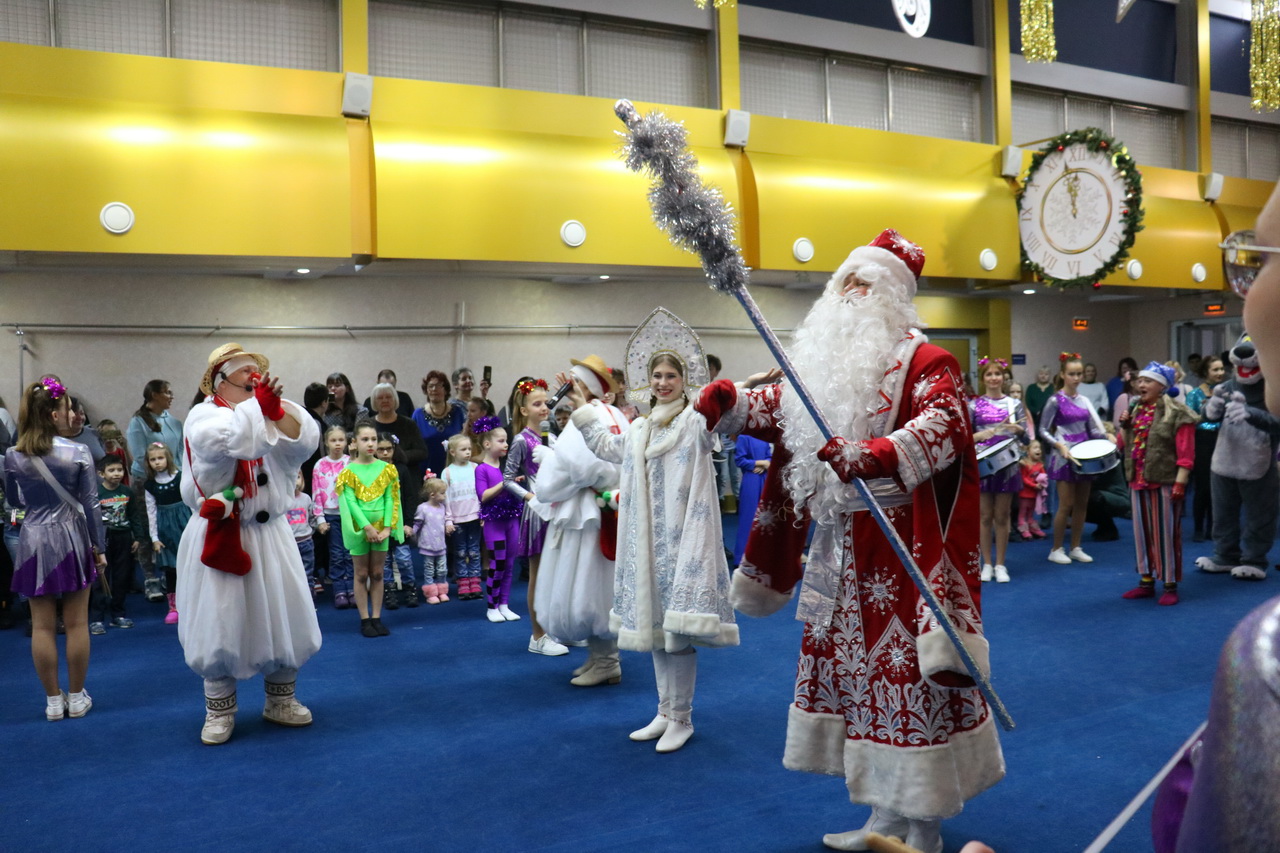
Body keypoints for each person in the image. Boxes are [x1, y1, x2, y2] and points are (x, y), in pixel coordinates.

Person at [696, 231, 1003, 852]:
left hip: (900, 544)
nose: (849, 294)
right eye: (845, 283)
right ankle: (884, 817)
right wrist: (730, 403)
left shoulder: (926, 361)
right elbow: (781, 408)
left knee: (906, 680)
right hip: (840, 553)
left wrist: (872, 453)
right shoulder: (823, 366)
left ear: (893, 296)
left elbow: (945, 427)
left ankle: (924, 826)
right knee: (860, 682)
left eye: (864, 285)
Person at [568, 307, 738, 755]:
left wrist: (743, 388)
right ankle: (665, 711)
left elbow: (723, 418)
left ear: (684, 380)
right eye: (657, 375)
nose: (663, 382)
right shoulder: (640, 427)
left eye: (671, 375)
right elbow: (608, 447)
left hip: (684, 543)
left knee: (678, 635)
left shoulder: (695, 423)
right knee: (658, 630)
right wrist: (585, 410)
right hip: (648, 545)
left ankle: (682, 717)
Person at [177, 343, 321, 746]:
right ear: (219, 382)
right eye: (245, 374)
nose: (254, 380)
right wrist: (260, 412)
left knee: (282, 615)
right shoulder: (203, 416)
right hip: (222, 535)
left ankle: (281, 699)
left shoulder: (259, 410)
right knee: (221, 622)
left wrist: (276, 411)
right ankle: (219, 710)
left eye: (256, 374)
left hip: (271, 534)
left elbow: (304, 441)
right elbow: (237, 443)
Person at [5, 377, 106, 721]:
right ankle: (77, 698)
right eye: (67, 409)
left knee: (42, 625)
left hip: (33, 538)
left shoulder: (12, 456)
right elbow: (91, 505)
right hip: (73, 538)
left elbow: (13, 501)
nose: (72, 414)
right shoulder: (77, 451)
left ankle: (52, 701)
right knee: (77, 624)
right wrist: (100, 546)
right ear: (52, 414)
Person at [535, 356, 627, 687]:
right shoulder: (615, 413)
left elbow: (581, 468)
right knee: (599, 584)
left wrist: (551, 466)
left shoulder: (586, 418)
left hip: (586, 513)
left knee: (588, 583)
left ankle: (606, 661)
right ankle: (599, 657)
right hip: (599, 509)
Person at [1116, 362, 1198, 605]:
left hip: (1164, 480)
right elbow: (1123, 445)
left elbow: (1186, 453)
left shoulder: (1177, 412)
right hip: (1137, 479)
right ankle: (1146, 581)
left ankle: (1170, 584)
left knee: (1166, 534)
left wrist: (1180, 483)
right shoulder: (1135, 409)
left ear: (1162, 386)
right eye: (1139, 380)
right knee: (1142, 534)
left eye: (1147, 381)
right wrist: (1125, 426)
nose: (1141, 385)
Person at [503, 377, 567, 657]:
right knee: (539, 576)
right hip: (537, 512)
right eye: (536, 404)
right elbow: (507, 479)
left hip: (558, 509)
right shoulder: (520, 440)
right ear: (523, 410)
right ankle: (537, 635)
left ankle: (558, 628)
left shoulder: (553, 437)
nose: (545, 408)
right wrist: (530, 497)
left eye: (546, 403)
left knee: (558, 575)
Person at [1040, 352, 1113, 565]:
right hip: (1064, 454)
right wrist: (1058, 444)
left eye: (1079, 374)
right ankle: (1056, 548)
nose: (1076, 378)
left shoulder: (1084, 401)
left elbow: (1092, 429)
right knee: (1066, 504)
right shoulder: (1055, 400)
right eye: (1072, 374)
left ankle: (1076, 546)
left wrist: (1106, 435)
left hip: (1084, 453)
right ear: (1063, 374)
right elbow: (1043, 430)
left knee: (1082, 504)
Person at [335, 420, 404, 637]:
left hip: (381, 529)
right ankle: (365, 619)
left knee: (377, 573)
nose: (371, 444)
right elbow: (350, 502)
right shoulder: (348, 472)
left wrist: (386, 528)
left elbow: (391, 499)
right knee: (361, 572)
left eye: (373, 439)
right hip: (360, 529)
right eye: (365, 439)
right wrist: (366, 527)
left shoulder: (387, 469)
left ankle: (377, 617)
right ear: (354, 442)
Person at [970, 357, 1029, 583]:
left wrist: (1018, 430)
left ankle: (1001, 564)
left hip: (1007, 464)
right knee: (985, 516)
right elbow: (964, 436)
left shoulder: (1013, 404)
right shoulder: (974, 405)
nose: (994, 378)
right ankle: (986, 563)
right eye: (989, 374)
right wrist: (978, 435)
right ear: (983, 378)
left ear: (1004, 378)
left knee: (1003, 515)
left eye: (997, 374)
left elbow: (1027, 436)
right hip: (983, 463)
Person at [474, 416, 523, 623]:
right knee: (498, 563)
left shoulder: (507, 467)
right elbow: (483, 495)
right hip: (494, 522)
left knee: (510, 563)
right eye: (501, 441)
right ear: (487, 444)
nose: (506, 444)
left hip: (511, 519)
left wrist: (514, 482)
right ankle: (492, 606)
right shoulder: (482, 469)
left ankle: (504, 604)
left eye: (506, 440)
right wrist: (506, 483)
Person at [143, 442, 191, 625]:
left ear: (168, 458)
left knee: (190, 564)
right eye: (153, 459)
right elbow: (151, 511)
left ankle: (193, 604)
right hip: (165, 529)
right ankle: (174, 606)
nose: (157, 462)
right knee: (171, 569)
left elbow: (190, 501)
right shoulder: (150, 485)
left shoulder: (180, 477)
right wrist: (154, 538)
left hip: (184, 523)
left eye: (160, 458)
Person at [90, 454, 136, 635]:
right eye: (111, 470)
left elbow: (134, 515)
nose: (116, 474)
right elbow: (91, 520)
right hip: (103, 539)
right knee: (101, 577)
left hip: (124, 537)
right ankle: (97, 618)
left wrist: (137, 537)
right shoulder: (96, 494)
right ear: (101, 473)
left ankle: (118, 613)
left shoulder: (127, 492)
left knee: (121, 576)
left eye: (119, 470)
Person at [374, 433, 418, 609]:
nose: (385, 453)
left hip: (399, 524)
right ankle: (389, 591)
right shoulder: (374, 470)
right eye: (381, 449)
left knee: (404, 558)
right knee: (384, 562)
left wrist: (408, 523)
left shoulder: (402, 469)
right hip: (380, 524)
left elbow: (409, 496)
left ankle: (410, 588)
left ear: (394, 449)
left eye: (388, 449)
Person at [1184, 355, 1224, 543]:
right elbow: (1191, 419)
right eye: (1215, 369)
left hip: (1223, 441)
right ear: (1205, 372)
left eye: (1221, 369)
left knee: (1220, 488)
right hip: (1203, 441)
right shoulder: (1194, 394)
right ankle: (1199, 527)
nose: (1220, 373)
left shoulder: (1226, 392)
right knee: (1203, 488)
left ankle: (1213, 527)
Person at [312, 426, 352, 608]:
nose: (337, 444)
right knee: (336, 554)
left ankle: (353, 588)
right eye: (333, 440)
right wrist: (319, 519)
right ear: (326, 443)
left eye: (341, 440)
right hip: (331, 515)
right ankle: (339, 590)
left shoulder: (351, 463)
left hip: (350, 515)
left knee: (351, 553)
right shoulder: (320, 465)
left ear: (346, 442)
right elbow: (317, 493)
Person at [442, 434, 483, 600]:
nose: (468, 452)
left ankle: (475, 581)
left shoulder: (475, 468)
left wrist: (483, 513)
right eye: (463, 449)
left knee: (474, 551)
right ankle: (463, 582)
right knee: (459, 552)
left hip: (474, 517)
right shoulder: (447, 472)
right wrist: (448, 520)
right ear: (452, 452)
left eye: (469, 449)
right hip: (458, 520)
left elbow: (481, 493)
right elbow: (446, 499)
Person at [126, 379, 183, 483]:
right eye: (168, 393)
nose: (172, 397)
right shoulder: (138, 422)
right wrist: (161, 475)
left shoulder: (175, 422)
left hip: (173, 476)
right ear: (155, 395)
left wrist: (178, 471)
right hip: (147, 478)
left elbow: (181, 451)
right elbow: (140, 455)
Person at [413, 370, 467, 480]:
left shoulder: (457, 412)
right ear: (426, 390)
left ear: (446, 389)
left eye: (438, 385)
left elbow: (463, 439)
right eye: (430, 386)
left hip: (454, 470)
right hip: (426, 473)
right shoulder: (418, 415)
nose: (434, 389)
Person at [369, 382, 427, 474]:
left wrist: (396, 456)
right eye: (380, 398)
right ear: (374, 402)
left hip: (406, 474)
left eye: (388, 397)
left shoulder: (409, 424)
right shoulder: (367, 425)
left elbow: (421, 452)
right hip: (374, 474)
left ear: (395, 399)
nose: (384, 400)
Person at [733, 433, 771, 567]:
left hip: (764, 477)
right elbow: (739, 460)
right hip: (751, 478)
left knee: (765, 518)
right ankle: (742, 557)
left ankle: (762, 556)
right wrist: (760, 463)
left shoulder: (764, 437)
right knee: (748, 518)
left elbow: (769, 456)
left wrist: (766, 464)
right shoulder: (744, 437)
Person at [411, 478, 450, 604]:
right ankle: (430, 592)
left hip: (441, 545)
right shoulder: (423, 508)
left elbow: (445, 522)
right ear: (432, 494)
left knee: (442, 569)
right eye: (442, 493)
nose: (445, 496)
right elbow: (418, 523)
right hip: (428, 544)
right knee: (429, 569)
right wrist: (412, 532)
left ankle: (442, 589)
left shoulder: (442, 508)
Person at [285, 471, 322, 599]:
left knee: (308, 573)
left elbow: (311, 516)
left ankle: (310, 601)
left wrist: (313, 529)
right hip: (289, 543)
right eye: (292, 477)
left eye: (298, 477)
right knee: (292, 573)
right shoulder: (283, 501)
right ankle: (295, 600)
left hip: (306, 541)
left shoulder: (306, 498)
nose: (295, 481)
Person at [1016, 440, 1048, 540]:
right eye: (1035, 447)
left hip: (1035, 494)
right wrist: (1033, 485)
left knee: (1031, 513)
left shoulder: (1040, 465)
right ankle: (1023, 528)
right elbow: (1024, 478)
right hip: (1025, 494)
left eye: (1039, 448)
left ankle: (1031, 526)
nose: (1038, 450)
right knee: (1023, 512)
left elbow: (1044, 476)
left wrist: (1042, 484)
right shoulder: (1025, 464)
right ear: (1028, 451)